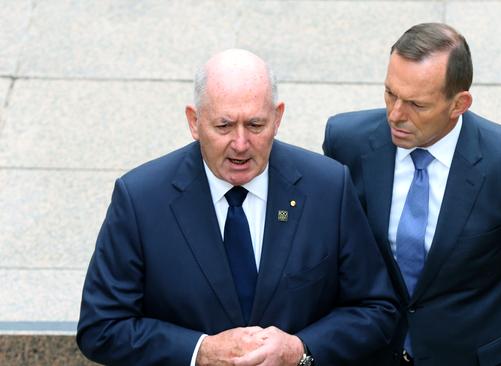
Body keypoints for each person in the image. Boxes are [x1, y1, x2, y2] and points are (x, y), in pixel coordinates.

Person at [77, 49, 399, 366]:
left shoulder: (328, 188)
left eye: (256, 125)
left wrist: (300, 349)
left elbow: (376, 309)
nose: (241, 144)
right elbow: (101, 326)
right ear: (194, 121)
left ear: (277, 118)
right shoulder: (140, 199)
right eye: (224, 126)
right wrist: (199, 351)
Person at [323, 23, 501, 365]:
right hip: (372, 351)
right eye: (390, 93)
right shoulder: (347, 141)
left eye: (417, 104)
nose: (395, 115)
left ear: (459, 103)